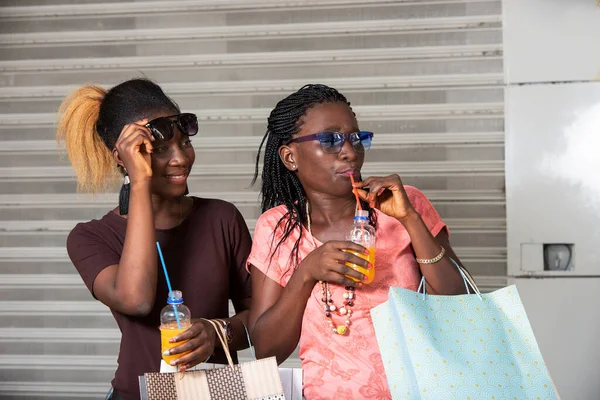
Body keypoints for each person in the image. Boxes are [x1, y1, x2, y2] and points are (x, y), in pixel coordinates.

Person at [247, 84, 470, 399]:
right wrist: (306, 273)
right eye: (330, 139)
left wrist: (410, 220)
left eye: (356, 137)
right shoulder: (277, 228)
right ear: (290, 156)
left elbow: (459, 304)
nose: (350, 151)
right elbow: (265, 350)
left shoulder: (405, 204)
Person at [58, 78, 252, 400]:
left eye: (184, 144)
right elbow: (137, 300)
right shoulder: (90, 237)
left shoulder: (222, 218)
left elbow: (260, 321)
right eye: (160, 149)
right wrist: (140, 182)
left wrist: (217, 333)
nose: (180, 159)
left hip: (212, 393)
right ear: (123, 157)